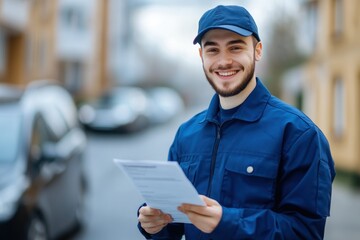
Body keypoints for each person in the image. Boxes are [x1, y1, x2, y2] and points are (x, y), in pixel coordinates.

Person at [137, 5, 336, 240]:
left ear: (257, 50)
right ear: (202, 56)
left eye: (235, 47)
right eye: (213, 50)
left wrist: (227, 222)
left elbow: (305, 233)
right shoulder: (186, 134)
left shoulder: (298, 134)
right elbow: (174, 226)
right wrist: (154, 224)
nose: (223, 61)